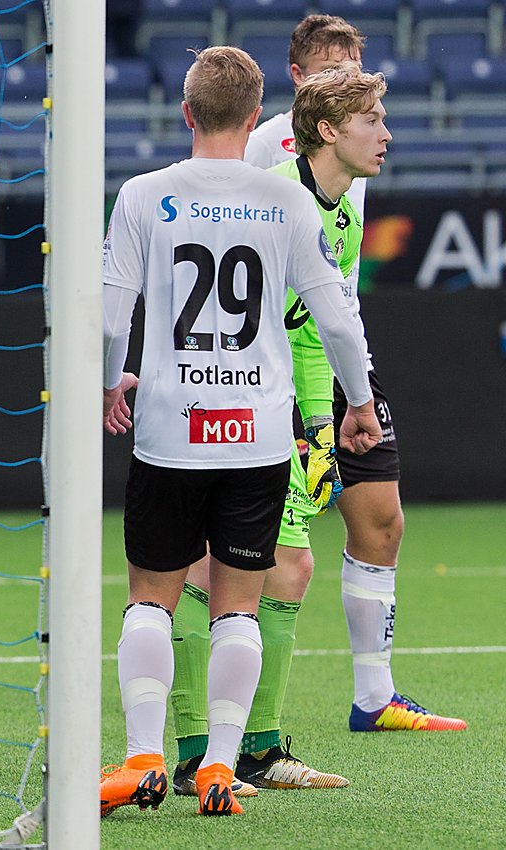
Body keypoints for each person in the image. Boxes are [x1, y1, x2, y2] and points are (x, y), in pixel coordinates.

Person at [168, 19, 467, 798]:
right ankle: (205, 748)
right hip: (225, 393)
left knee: (284, 561)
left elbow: (317, 325)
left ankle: (246, 746)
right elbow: (285, 319)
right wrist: (312, 411)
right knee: (215, 567)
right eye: (373, 119)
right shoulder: (278, 192)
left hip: (280, 397)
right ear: (321, 121)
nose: (388, 135)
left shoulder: (336, 205)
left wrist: (323, 419)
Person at [97, 46, 382, 818]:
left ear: (186, 113)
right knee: (237, 609)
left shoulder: (143, 194)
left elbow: (109, 310)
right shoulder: (287, 200)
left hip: (169, 430)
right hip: (257, 436)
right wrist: (359, 402)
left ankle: (145, 759)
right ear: (258, 118)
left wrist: (106, 381)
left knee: (152, 601)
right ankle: (221, 768)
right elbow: (337, 315)